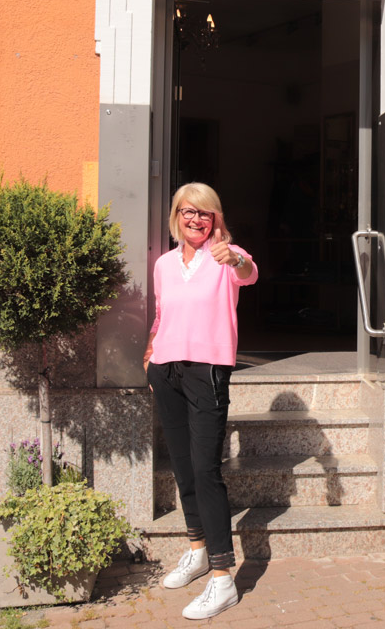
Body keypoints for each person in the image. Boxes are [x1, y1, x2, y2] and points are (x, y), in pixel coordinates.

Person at [144, 182, 257, 621]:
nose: (196, 219)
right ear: (177, 216)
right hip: (166, 369)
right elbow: (162, 313)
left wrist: (237, 259)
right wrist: (151, 353)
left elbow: (250, 273)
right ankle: (197, 551)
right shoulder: (164, 264)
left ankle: (223, 577)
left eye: (204, 213)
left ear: (215, 219)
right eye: (188, 212)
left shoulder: (227, 257)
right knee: (182, 465)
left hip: (207, 372)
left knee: (206, 470)